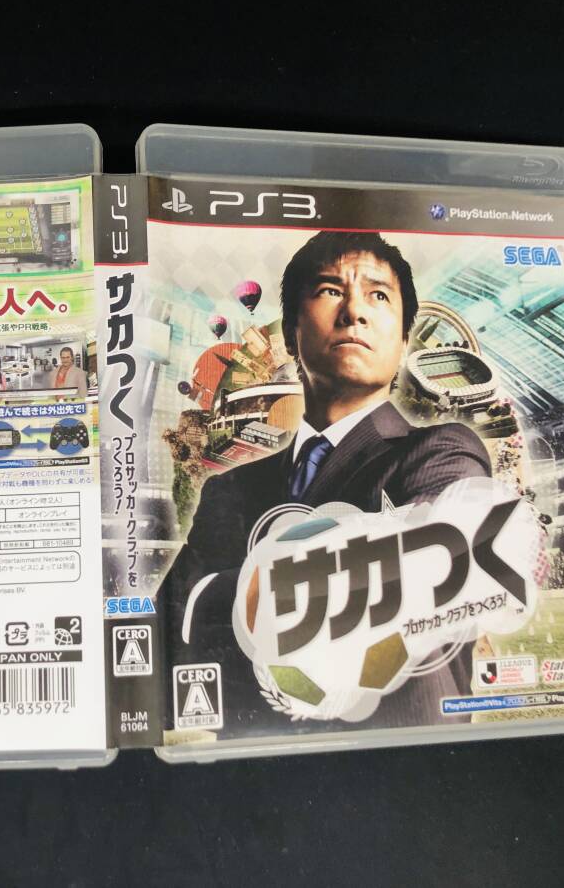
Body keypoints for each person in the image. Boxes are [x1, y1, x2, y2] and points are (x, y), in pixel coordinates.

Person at [163, 231, 492, 736]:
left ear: (404, 341)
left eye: (378, 295)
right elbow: (161, 647)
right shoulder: (229, 489)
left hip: (409, 763)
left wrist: (213, 599)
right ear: (291, 332)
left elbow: (409, 576)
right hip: (250, 771)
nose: (354, 311)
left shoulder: (444, 453)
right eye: (330, 291)